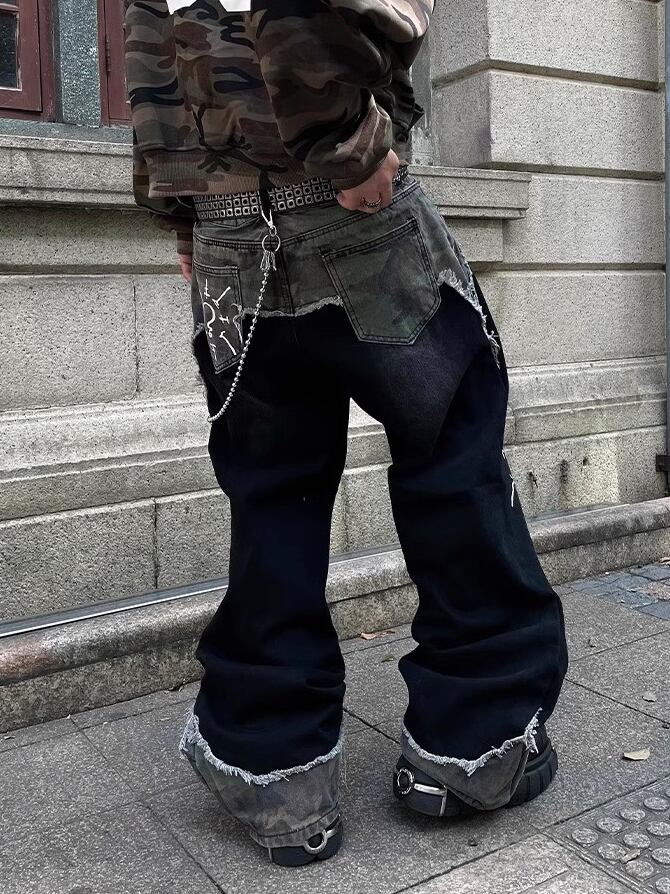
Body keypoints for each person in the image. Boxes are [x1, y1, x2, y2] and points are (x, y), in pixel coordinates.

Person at [124, 0, 568, 867]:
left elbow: (151, 49)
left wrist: (180, 208)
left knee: (272, 494)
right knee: (453, 457)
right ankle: (473, 748)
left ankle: (274, 774)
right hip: (350, 209)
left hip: (223, 230)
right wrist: (352, 148)